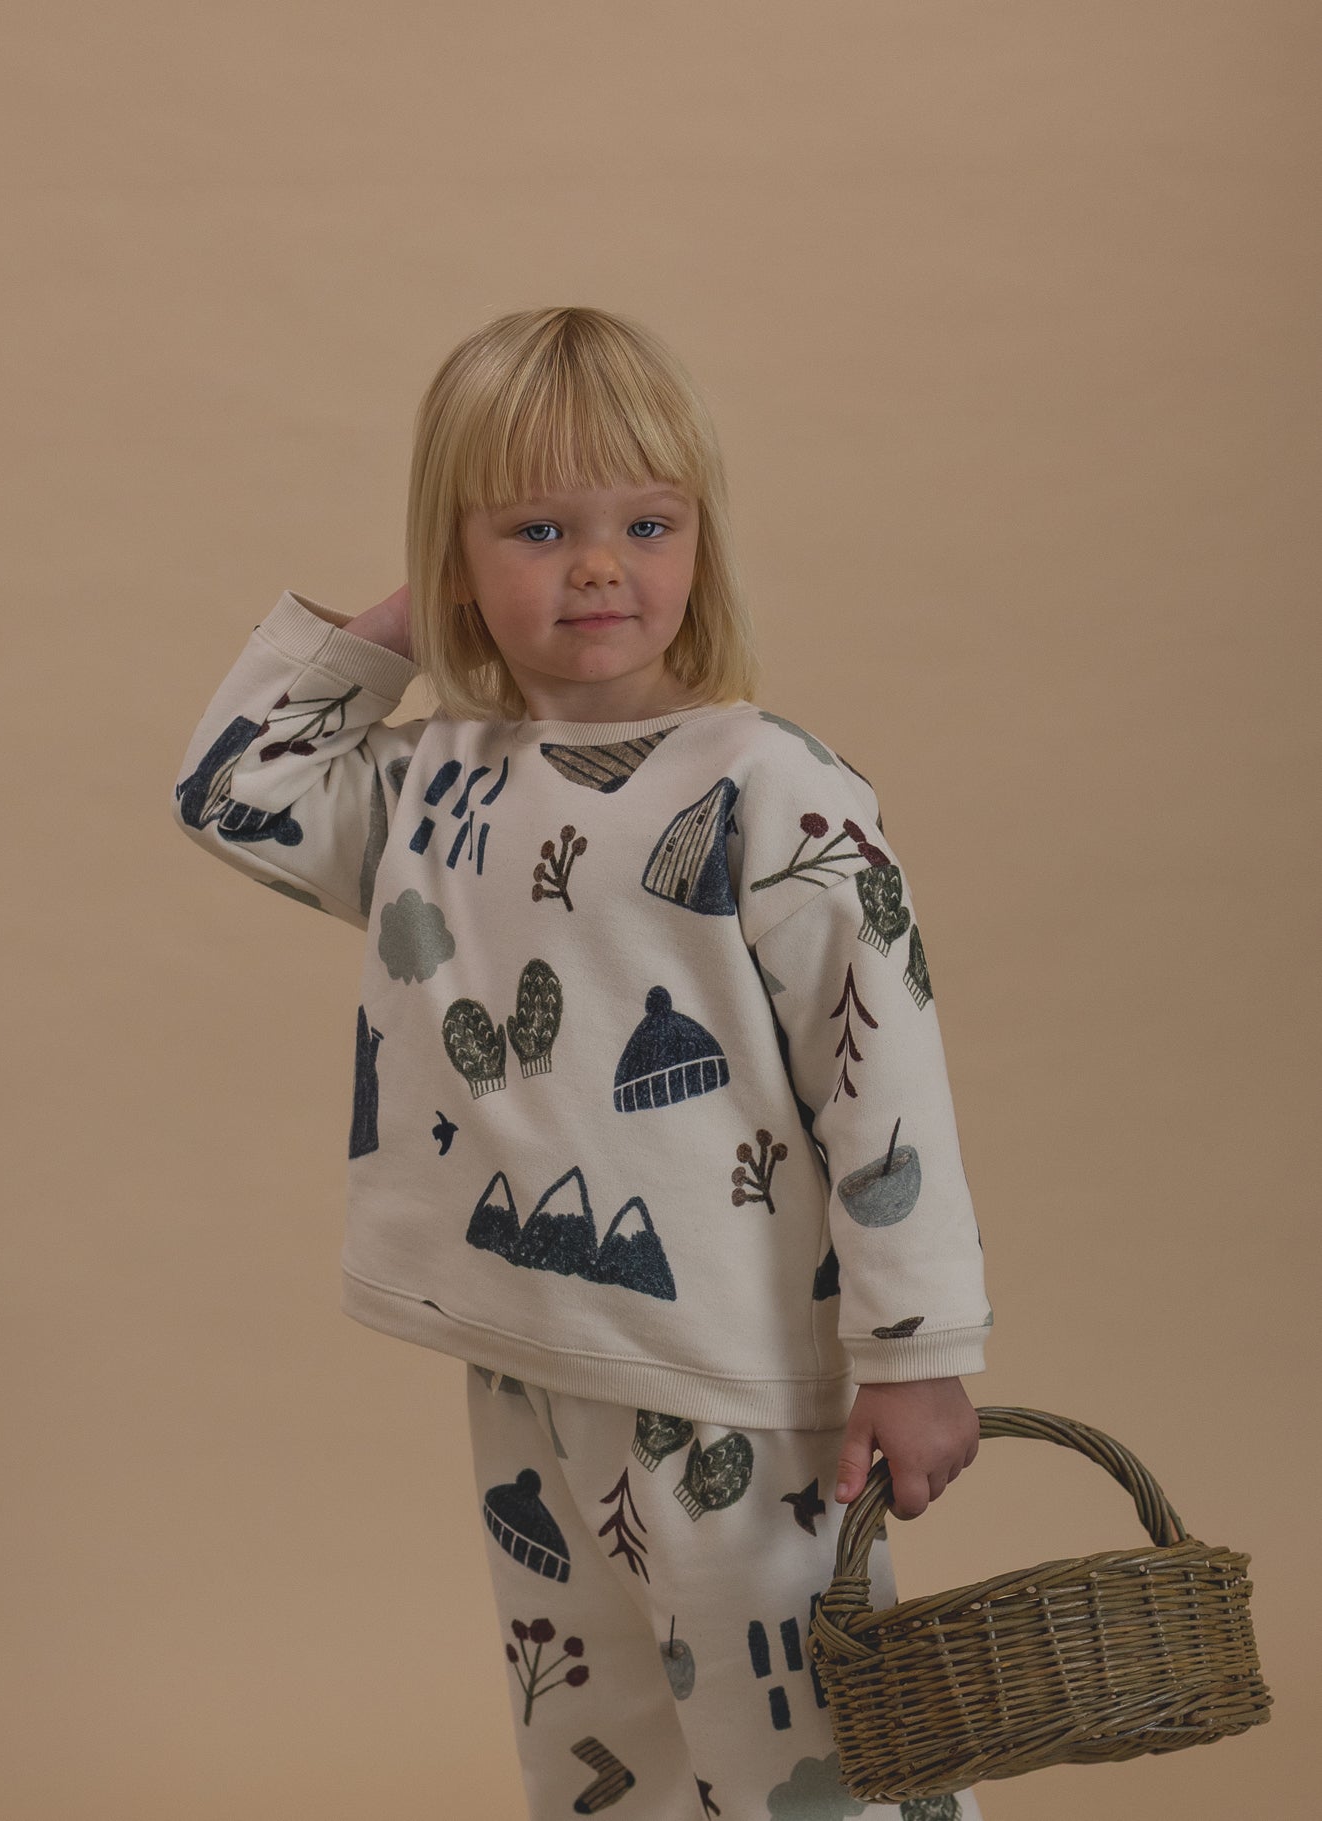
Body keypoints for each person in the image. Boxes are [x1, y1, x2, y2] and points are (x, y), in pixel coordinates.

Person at [171, 305, 993, 1820]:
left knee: (811, 1758)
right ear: (456, 554)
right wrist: (422, 619)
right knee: (595, 1758)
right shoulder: (434, 782)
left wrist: (918, 1350)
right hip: (530, 1342)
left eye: (645, 521)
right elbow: (236, 788)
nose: (601, 565)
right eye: (539, 527)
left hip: (734, 1385)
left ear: (701, 538)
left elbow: (880, 1077)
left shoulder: (770, 789)